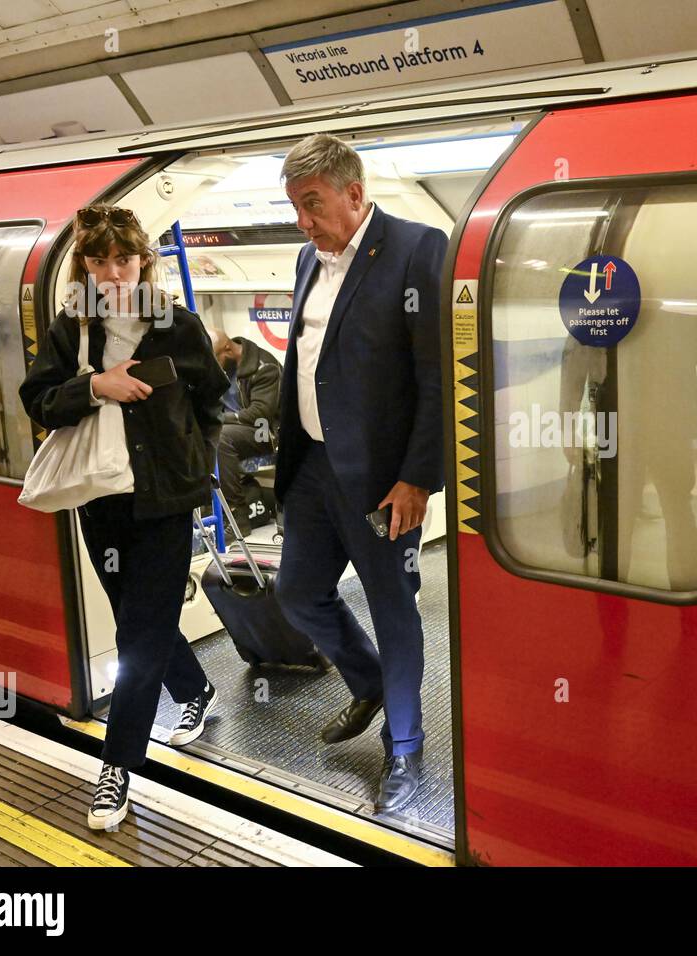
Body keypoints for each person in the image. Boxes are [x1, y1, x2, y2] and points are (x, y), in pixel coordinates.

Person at [19, 204, 231, 830]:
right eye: (99, 260)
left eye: (124, 259)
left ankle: (117, 768)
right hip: (101, 499)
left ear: (144, 260)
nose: (112, 272)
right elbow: (38, 401)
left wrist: (199, 462)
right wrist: (94, 388)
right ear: (84, 264)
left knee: (139, 632)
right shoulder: (70, 330)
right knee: (136, 617)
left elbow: (214, 399)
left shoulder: (177, 326)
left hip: (165, 501)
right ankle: (194, 690)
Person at [272, 133, 446, 813]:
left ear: (353, 193)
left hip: (381, 478)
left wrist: (417, 478)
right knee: (298, 593)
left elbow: (434, 378)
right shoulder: (304, 261)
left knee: (393, 609)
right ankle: (368, 682)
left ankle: (404, 747)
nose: (302, 222)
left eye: (311, 205)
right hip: (314, 466)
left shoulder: (416, 248)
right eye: (295, 208)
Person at [210, 330, 281, 534]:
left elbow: (261, 414)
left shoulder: (264, 366)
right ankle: (205, 509)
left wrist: (220, 420)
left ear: (228, 349)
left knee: (221, 438)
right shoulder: (220, 369)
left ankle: (236, 518)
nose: (212, 365)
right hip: (235, 429)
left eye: (215, 358)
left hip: (265, 432)